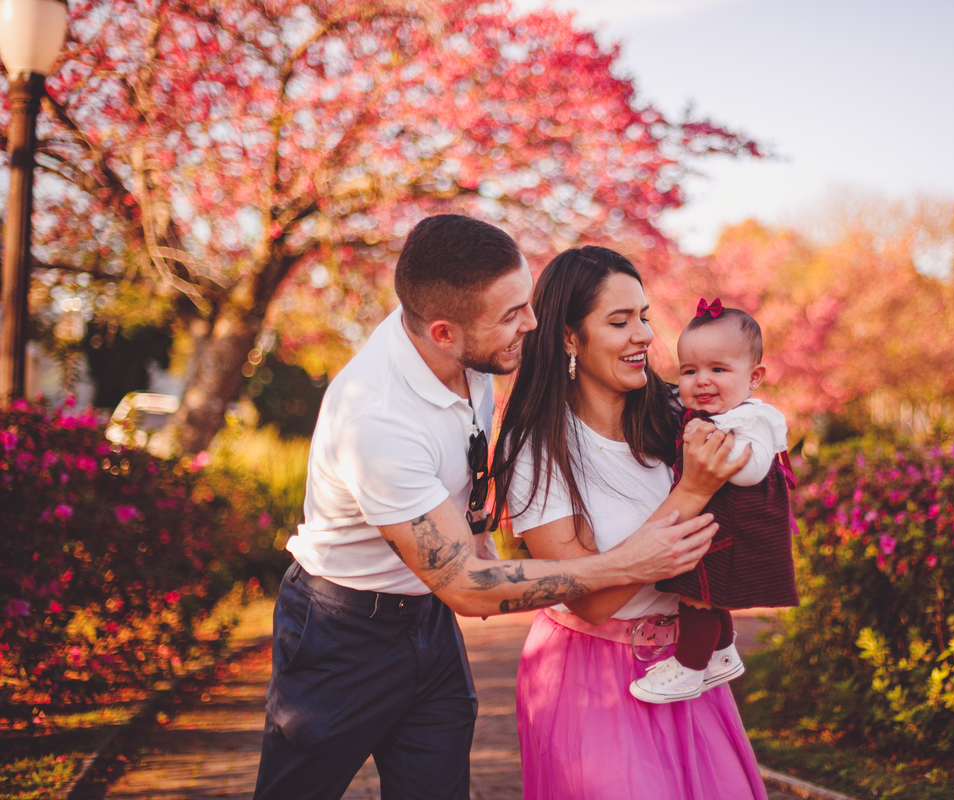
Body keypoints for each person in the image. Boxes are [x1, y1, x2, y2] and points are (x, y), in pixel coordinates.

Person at [252, 216, 721, 800]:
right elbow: (469, 589)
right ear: (444, 333)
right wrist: (627, 563)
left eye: (525, 303)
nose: (533, 323)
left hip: (428, 621)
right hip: (340, 632)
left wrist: (478, 531)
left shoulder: (465, 350)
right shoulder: (376, 420)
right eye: (512, 315)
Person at [492, 247, 770, 800]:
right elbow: (591, 601)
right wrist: (692, 492)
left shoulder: (675, 413)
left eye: (643, 316)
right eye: (619, 322)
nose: (643, 334)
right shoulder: (539, 447)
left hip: (686, 665)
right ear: (569, 338)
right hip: (589, 674)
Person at [631, 299, 799, 704]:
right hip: (717, 521)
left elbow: (752, 470)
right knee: (707, 591)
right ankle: (722, 655)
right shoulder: (707, 416)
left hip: (739, 527)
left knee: (698, 596)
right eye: (689, 371)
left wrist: (710, 446)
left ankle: (688, 669)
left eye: (718, 370)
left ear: (754, 377)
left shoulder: (751, 419)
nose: (701, 381)